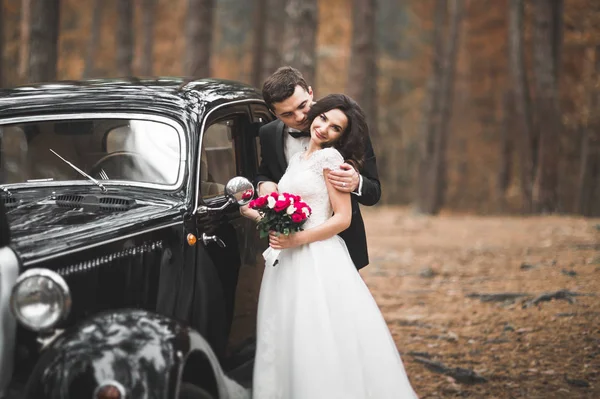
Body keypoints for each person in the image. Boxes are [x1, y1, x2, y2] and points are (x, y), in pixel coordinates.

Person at [245, 94, 418, 398]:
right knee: (286, 334)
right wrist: (253, 209)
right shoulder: (299, 159)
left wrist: (295, 239)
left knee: (318, 335)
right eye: (323, 119)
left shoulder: (331, 159)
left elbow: (343, 219)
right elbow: (274, 186)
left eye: (335, 128)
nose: (324, 128)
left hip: (316, 256)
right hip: (286, 259)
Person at [254, 66, 381, 271]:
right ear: (273, 113)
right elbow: (265, 170)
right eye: (287, 114)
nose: (299, 117)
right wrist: (264, 183)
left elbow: (374, 192)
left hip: (337, 248)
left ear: (310, 93)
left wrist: (357, 182)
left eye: (303, 105)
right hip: (287, 251)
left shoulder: (348, 129)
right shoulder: (268, 134)